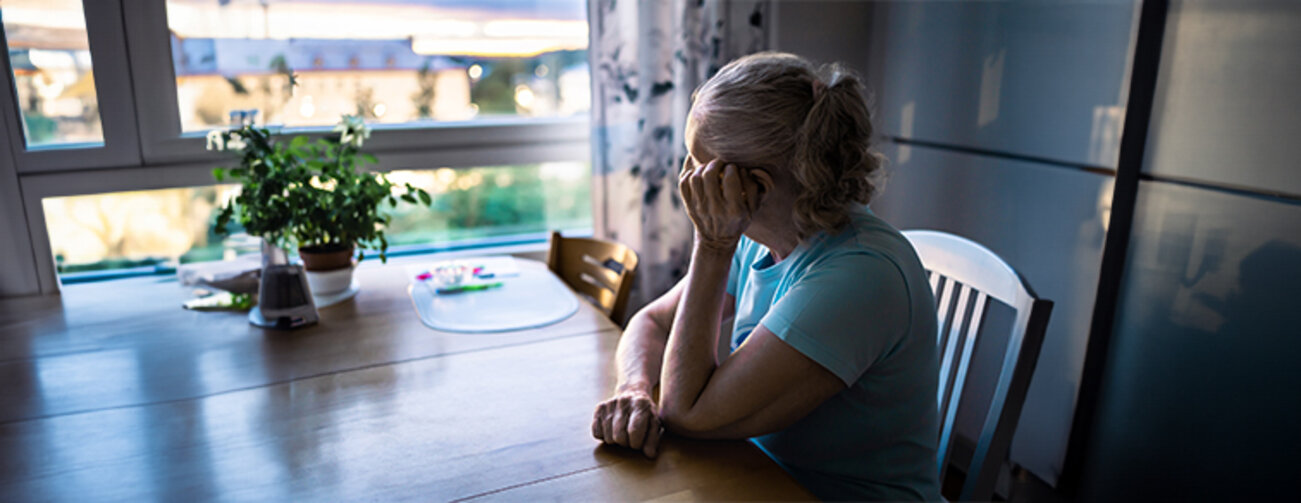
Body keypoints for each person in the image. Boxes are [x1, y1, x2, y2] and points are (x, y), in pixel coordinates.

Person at [590, 52, 941, 501]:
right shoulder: (764, 237)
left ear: (756, 184)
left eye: (697, 164)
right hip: (757, 476)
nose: (683, 179)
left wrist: (712, 246)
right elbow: (652, 322)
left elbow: (685, 410)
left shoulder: (859, 276)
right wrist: (634, 388)